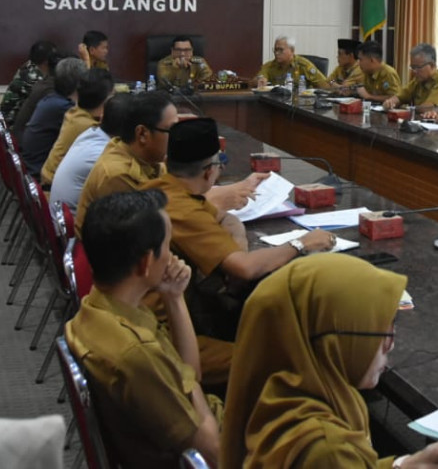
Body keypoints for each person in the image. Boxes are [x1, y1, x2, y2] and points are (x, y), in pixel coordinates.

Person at [220, 254, 438, 469]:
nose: (390, 343)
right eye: (380, 330)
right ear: (333, 342)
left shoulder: (283, 395)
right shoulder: (327, 447)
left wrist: (408, 465)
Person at [143, 119, 334, 384]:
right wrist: (302, 242)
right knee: (284, 361)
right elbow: (245, 268)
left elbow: (228, 220)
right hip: (162, 339)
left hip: (175, 315)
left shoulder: (165, 188)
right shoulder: (182, 208)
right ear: (210, 171)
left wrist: (234, 249)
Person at [65, 190, 222, 468]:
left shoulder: (100, 306)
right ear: (146, 262)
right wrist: (189, 384)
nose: (171, 255)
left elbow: (190, 372)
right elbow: (212, 450)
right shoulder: (137, 354)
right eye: (168, 245)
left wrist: (174, 297)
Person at [76, 91, 177, 235]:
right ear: (142, 134)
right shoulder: (117, 175)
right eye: (172, 130)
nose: (177, 137)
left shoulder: (147, 158)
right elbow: (160, 224)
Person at [50, 94, 131, 213]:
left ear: (101, 117)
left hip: (60, 214)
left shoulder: (91, 132)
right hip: (72, 225)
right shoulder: (103, 155)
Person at [41, 68, 114, 185]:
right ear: (105, 101)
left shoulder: (75, 112)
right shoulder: (90, 129)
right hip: (52, 190)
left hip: (49, 182)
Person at [19, 58, 85, 176]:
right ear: (80, 84)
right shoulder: (63, 107)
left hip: (33, 165)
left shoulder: (53, 98)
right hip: (39, 171)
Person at [0, 40, 57, 126]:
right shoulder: (32, 76)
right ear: (47, 60)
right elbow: (47, 98)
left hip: (15, 118)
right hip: (14, 122)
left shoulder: (30, 65)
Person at [382, 43, 438, 110]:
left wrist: (404, 107)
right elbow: (400, 97)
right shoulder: (417, 81)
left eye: (418, 67)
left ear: (432, 65)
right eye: (413, 67)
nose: (414, 71)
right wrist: (390, 102)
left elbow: (426, 108)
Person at [253, 36, 328, 89]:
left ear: (292, 51)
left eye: (280, 50)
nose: (277, 53)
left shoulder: (304, 65)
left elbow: (325, 85)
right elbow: (255, 80)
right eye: (275, 50)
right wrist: (259, 80)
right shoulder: (270, 66)